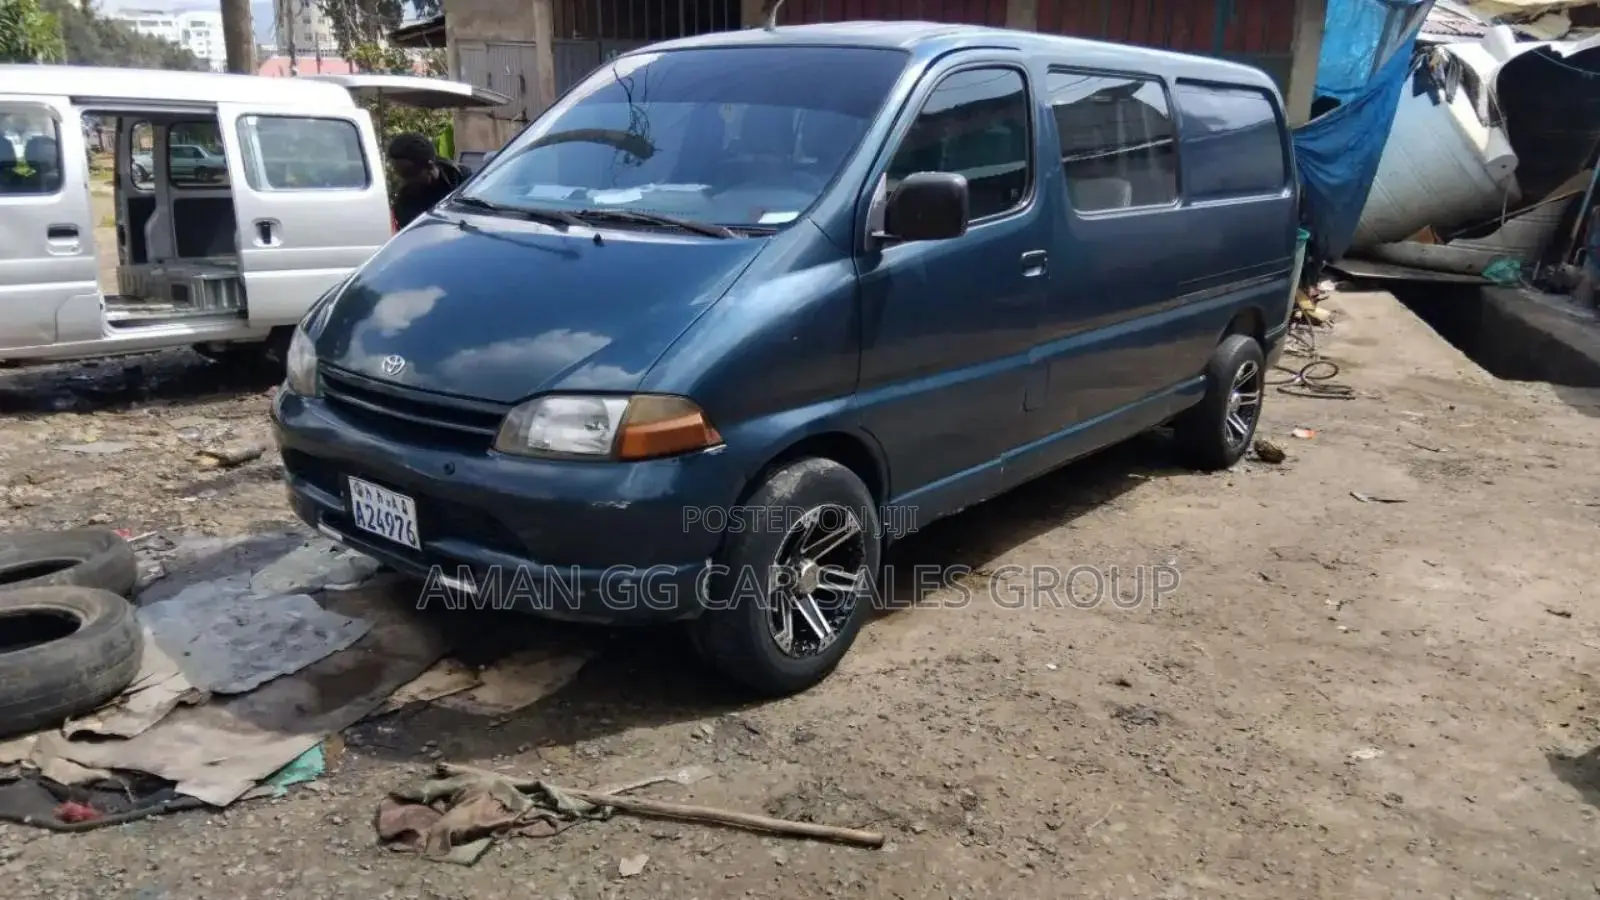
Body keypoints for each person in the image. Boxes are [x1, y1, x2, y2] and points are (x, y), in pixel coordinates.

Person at [387, 133, 463, 229]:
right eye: (399, 174)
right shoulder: (407, 201)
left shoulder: (462, 179)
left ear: (430, 166)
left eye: (409, 173)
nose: (404, 181)